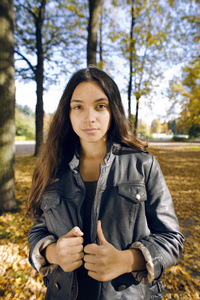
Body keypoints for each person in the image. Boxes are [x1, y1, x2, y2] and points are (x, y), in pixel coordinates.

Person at [27, 65, 184, 300]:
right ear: (67, 114)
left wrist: (125, 260)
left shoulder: (143, 165)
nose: (90, 118)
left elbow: (172, 239)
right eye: (78, 107)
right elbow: (39, 229)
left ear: (113, 111)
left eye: (100, 106)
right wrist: (54, 253)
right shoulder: (51, 167)